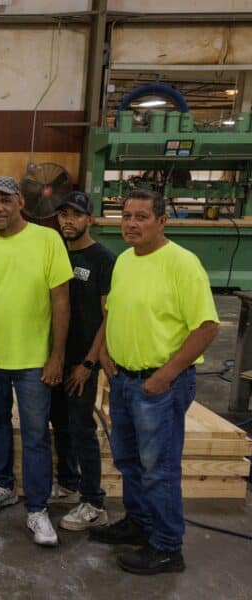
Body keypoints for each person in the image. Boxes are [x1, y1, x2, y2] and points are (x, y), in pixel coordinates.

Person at [90, 189, 219, 575]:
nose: (131, 223)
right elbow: (113, 310)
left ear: (162, 221)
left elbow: (207, 327)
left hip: (159, 385)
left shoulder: (182, 264)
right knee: (129, 461)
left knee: (158, 468)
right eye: (127, 216)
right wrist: (105, 353)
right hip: (125, 380)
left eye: (142, 216)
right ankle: (139, 524)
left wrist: (166, 375)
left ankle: (166, 546)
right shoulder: (125, 261)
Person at [0, 176, 72, 547]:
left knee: (37, 435)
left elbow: (61, 301)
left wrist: (56, 356)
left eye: (5, 201)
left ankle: (37, 509)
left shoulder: (47, 240)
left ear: (20, 202)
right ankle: (3, 486)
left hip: (33, 361)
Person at [46, 191, 117, 530]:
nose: (67, 221)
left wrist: (89, 363)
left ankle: (93, 502)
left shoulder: (103, 259)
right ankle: (68, 484)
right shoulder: (55, 253)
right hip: (56, 357)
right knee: (60, 422)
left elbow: (108, 316)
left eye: (75, 215)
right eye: (63, 215)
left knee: (82, 428)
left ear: (90, 218)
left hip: (83, 361)